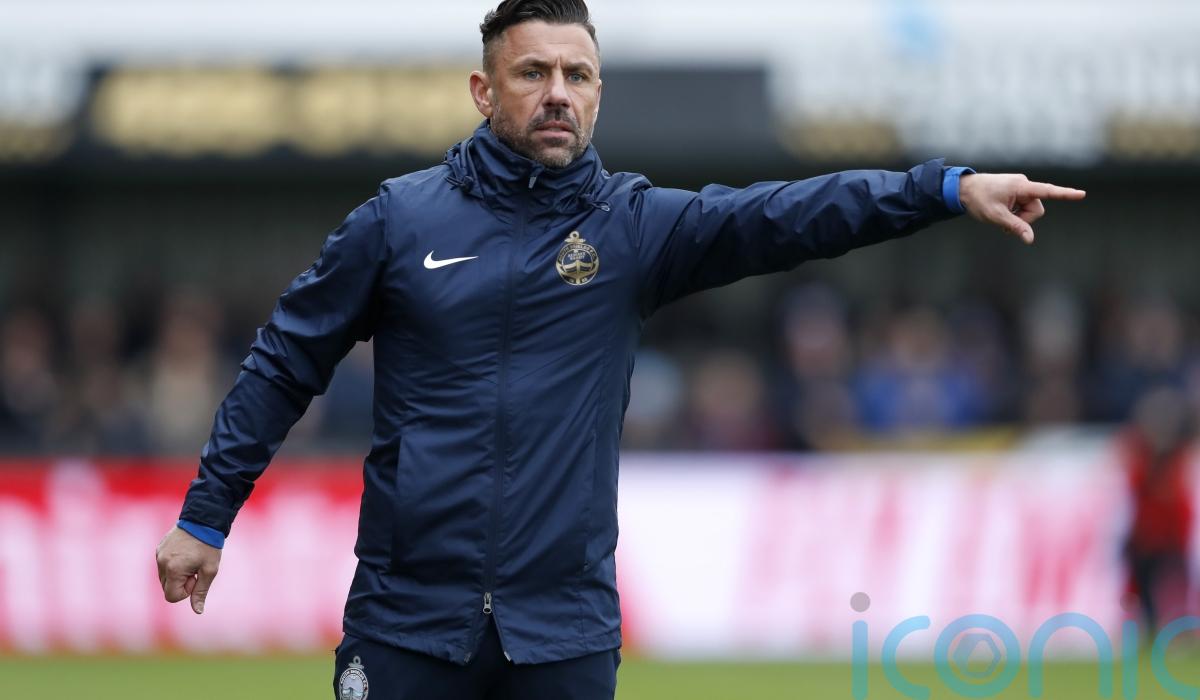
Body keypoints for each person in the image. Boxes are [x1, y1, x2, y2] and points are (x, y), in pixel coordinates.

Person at [154, 1, 1086, 697]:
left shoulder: (633, 228)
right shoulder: (399, 221)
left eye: (578, 75)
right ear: (484, 90)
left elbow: (791, 216)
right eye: (533, 73)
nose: (557, 92)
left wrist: (943, 188)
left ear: (599, 94)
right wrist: (206, 515)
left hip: (563, 633)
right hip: (406, 622)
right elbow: (284, 362)